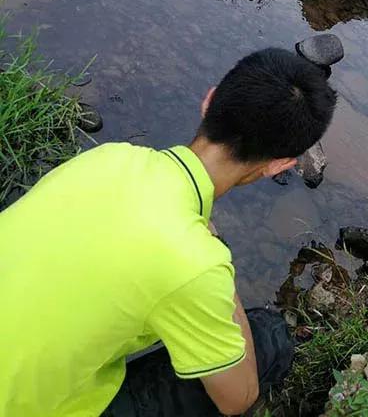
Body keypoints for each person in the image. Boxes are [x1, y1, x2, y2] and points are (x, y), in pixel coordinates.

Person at [0, 48, 337, 417]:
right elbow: (237, 398)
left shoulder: (108, 157)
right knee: (269, 337)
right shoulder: (196, 265)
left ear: (209, 101)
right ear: (279, 165)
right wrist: (219, 271)